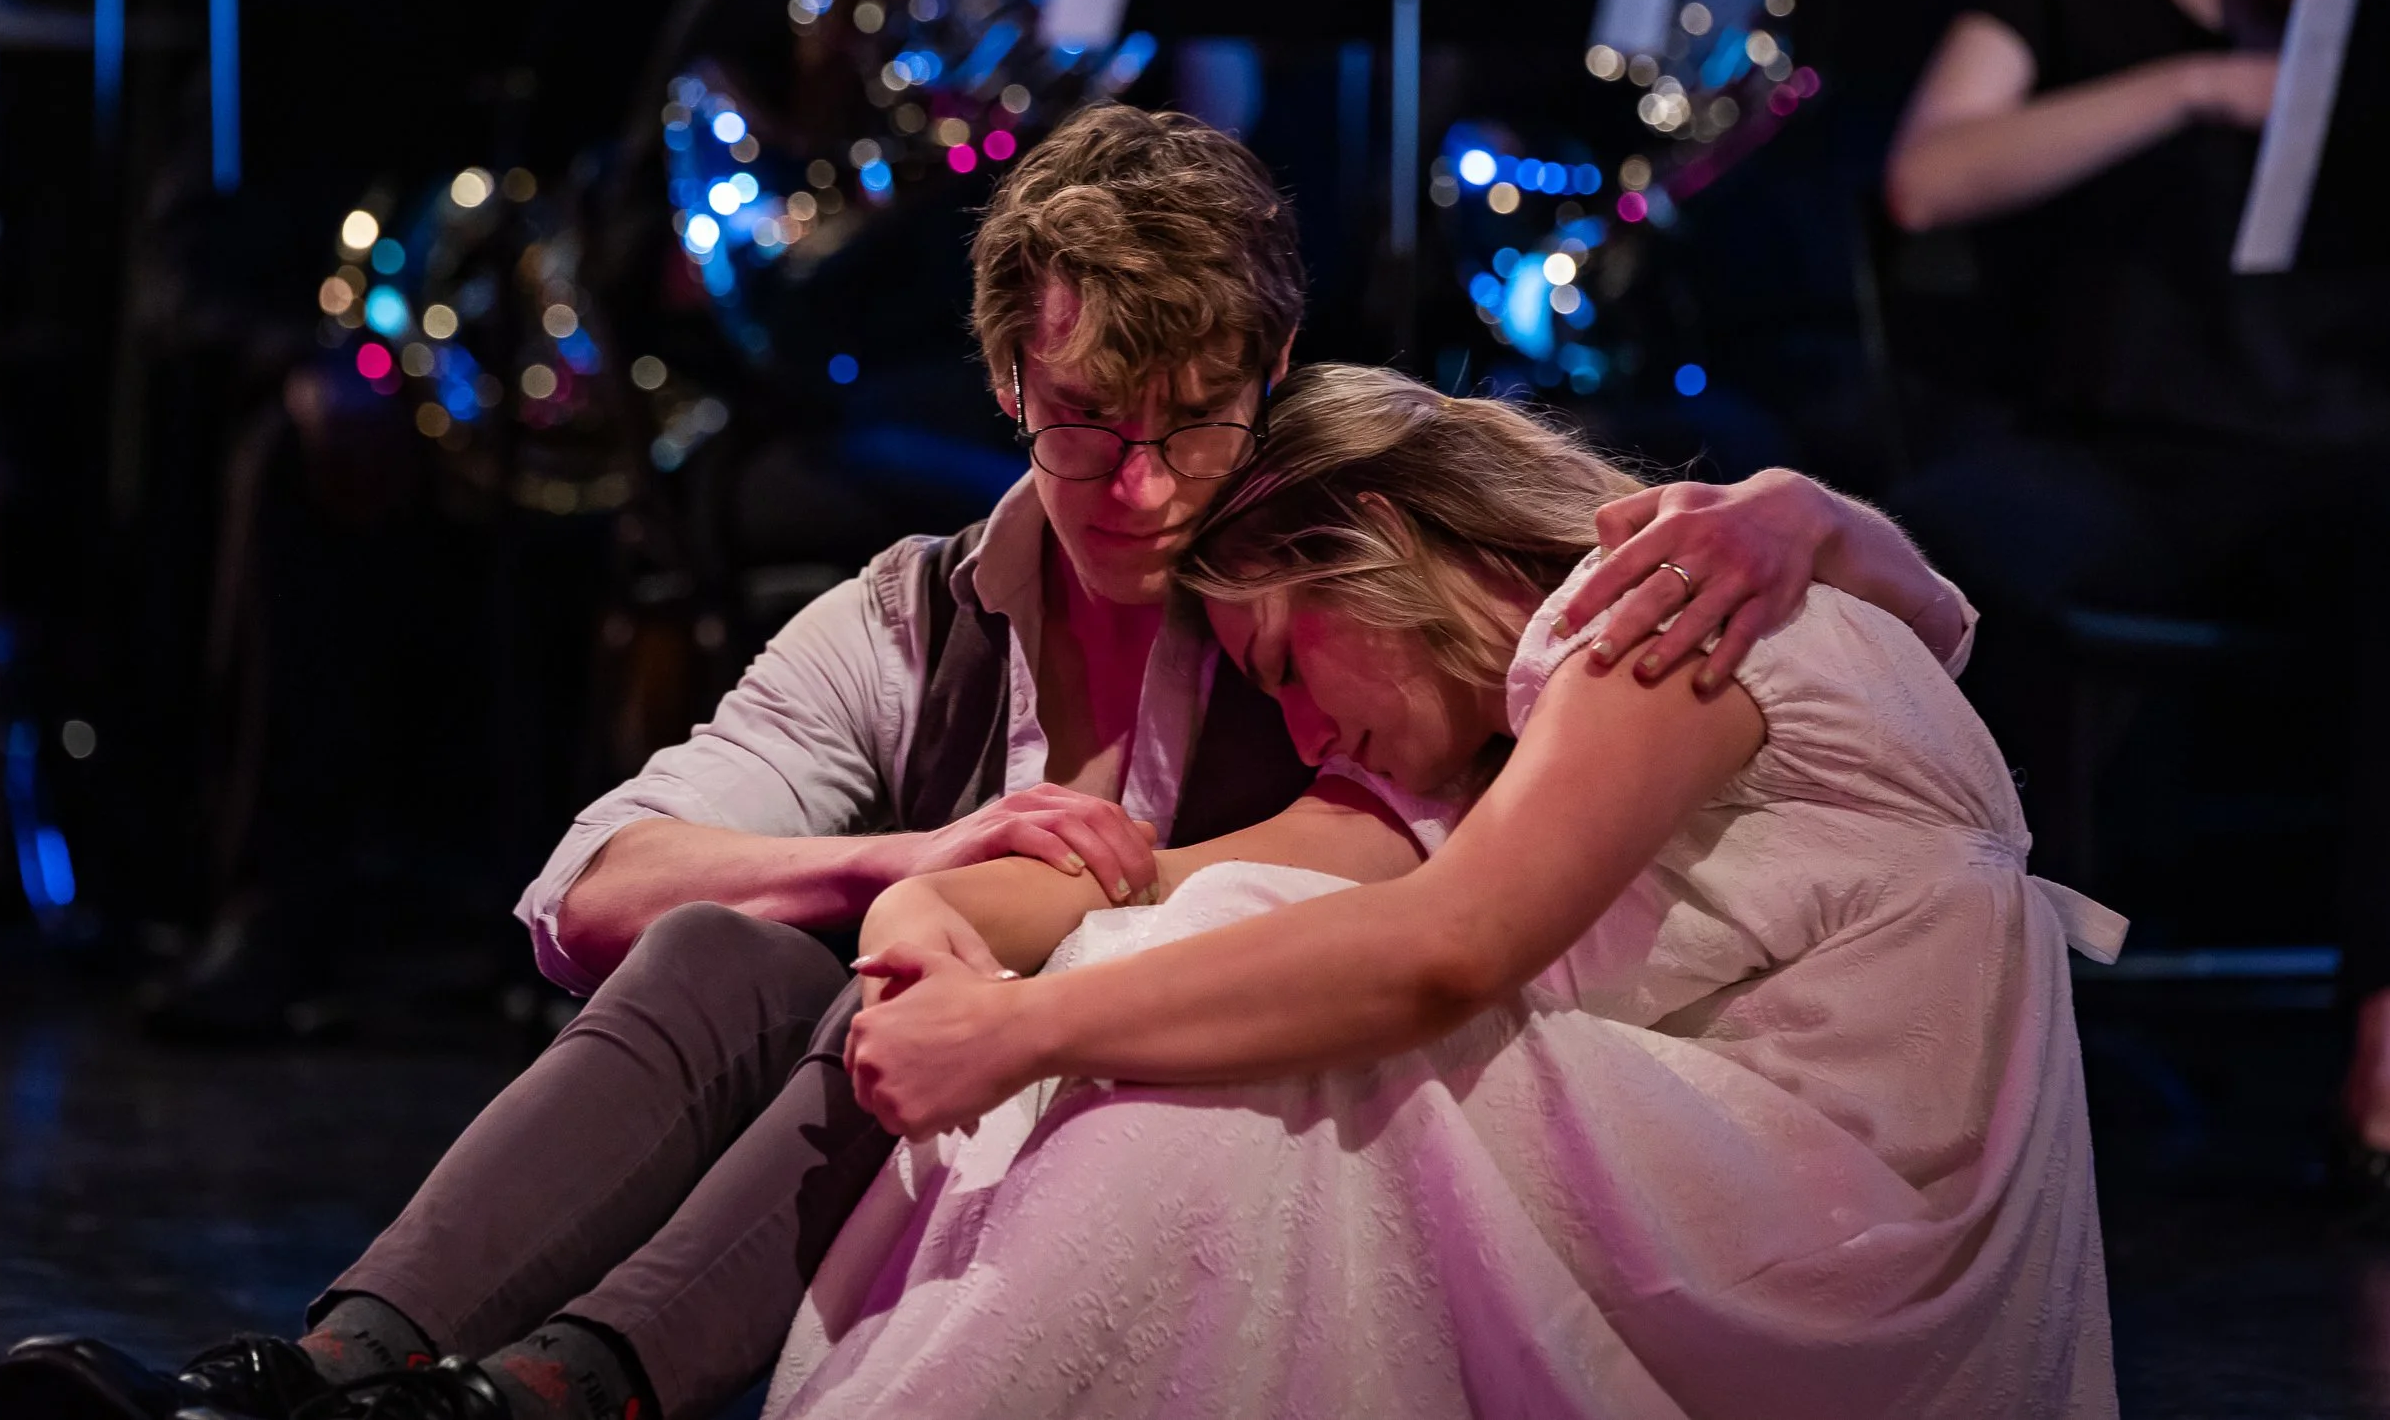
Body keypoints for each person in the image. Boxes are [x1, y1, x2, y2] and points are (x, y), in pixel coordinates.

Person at [0, 109, 1977, 1420]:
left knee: (875, 966)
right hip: (935, 1085)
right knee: (719, 947)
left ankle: (530, 1400)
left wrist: (1798, 507)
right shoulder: (909, 608)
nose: (1143, 481)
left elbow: (1657, 612)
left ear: (1260, 387)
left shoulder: (1327, 572)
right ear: (1006, 385)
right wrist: (909, 861)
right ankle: (318, 1372)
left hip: (1085, 1167)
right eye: (1086, 418)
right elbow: (589, 890)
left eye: (1193, 420)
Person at [751, 363, 2119, 1418]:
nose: (1296, 733)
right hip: (1823, 1204)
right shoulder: (1505, 770)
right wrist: (925, 917)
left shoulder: (1651, 617)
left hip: (1854, 1230)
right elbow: (1142, 879)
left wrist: (1014, 1033)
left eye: (1284, 663)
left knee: (1293, 1012)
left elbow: (1446, 953)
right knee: (1208, 952)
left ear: (1375, 537)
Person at [1881, 0, 2390, 1227]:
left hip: (2327, 453)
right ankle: (1972, 1044)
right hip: (2118, 448)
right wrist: (2194, 84)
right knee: (1952, 539)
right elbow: (1930, 177)